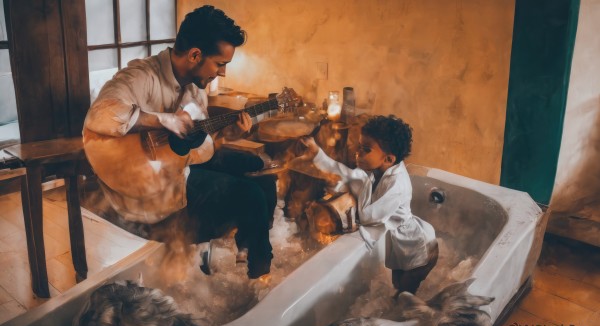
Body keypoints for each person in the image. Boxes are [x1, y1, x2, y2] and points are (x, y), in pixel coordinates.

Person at [83, 5, 274, 279]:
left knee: (258, 167)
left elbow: (201, 149)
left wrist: (230, 135)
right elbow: (100, 115)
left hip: (179, 166)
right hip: (146, 183)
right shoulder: (141, 76)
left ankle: (248, 253)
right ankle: (260, 276)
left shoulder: (196, 90)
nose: (222, 73)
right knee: (252, 195)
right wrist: (162, 120)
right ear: (195, 54)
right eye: (220, 64)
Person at [301, 115, 438, 295]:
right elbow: (347, 174)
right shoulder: (375, 172)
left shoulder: (397, 185)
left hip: (418, 247)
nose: (357, 153)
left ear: (388, 159)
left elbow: (369, 216)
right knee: (397, 284)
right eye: (359, 147)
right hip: (400, 243)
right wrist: (317, 153)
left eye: (365, 150)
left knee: (404, 293)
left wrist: (350, 202)